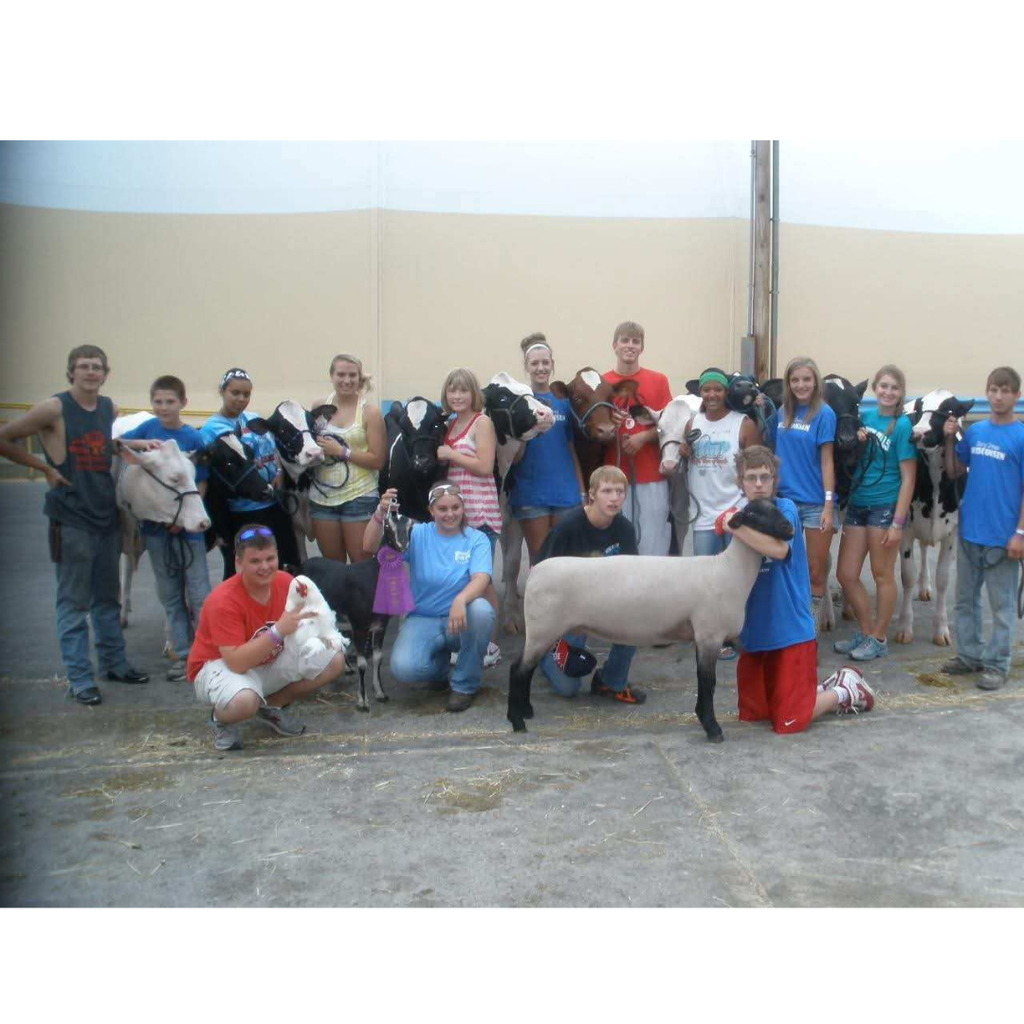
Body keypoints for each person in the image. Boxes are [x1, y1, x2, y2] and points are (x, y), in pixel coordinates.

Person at [0, 344, 151, 704]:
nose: (90, 372)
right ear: (71, 371)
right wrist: (44, 469)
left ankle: (114, 663)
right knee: (73, 602)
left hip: (105, 516)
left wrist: (135, 444)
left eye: (97, 366)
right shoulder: (55, 407)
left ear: (105, 372)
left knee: (107, 598)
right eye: (83, 366)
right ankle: (79, 678)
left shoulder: (108, 407)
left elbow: (104, 445)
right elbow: (5, 437)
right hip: (71, 519)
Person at [729, 446, 876, 733]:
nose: (759, 484)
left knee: (789, 722)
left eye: (765, 477)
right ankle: (814, 688)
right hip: (756, 634)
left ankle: (845, 689)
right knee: (753, 715)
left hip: (791, 632)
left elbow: (779, 549)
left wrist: (732, 524)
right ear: (740, 482)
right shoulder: (741, 514)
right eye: (751, 478)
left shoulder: (784, 510)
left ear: (775, 480)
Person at [186, 524, 347, 751]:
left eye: (270, 559)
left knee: (333, 658)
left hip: (264, 659)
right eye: (255, 561)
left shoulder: (285, 582)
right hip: (219, 666)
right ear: (238, 563)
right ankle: (222, 719)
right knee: (244, 702)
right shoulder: (223, 600)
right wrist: (278, 631)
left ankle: (272, 706)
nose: (264, 567)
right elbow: (235, 662)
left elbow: (311, 622)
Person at [364, 483, 495, 712]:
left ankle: (465, 684)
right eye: (442, 509)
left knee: (482, 611)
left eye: (455, 507)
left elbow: (481, 578)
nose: (450, 514)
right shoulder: (417, 533)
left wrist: (460, 600)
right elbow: (369, 546)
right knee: (404, 668)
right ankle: (440, 667)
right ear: (431, 510)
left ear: (463, 508)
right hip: (423, 618)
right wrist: (379, 514)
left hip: (462, 618)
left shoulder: (477, 539)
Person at [119, 375, 212, 681]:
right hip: (155, 529)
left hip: (188, 532)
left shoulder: (193, 438)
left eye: (169, 401)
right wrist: (138, 443)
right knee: (170, 594)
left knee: (199, 592)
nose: (163, 407)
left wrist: (185, 515)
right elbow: (118, 446)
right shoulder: (147, 430)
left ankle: (206, 652)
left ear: (183, 403)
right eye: (158, 401)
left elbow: (200, 482)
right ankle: (183, 654)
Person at [941, 366, 1024, 689]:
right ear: (987, 392)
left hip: (1003, 538)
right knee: (964, 600)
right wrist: (950, 438)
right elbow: (953, 470)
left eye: (1005, 390)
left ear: (1016, 396)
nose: (998, 396)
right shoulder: (975, 433)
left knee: (1001, 606)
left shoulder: (1020, 436)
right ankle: (969, 656)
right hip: (969, 530)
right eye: (993, 389)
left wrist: (1020, 534)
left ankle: (997, 664)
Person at [535, 466, 647, 705]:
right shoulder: (569, 526)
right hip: (569, 610)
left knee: (638, 620)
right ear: (592, 495)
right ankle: (546, 653)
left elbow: (632, 575)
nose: (615, 497)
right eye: (607, 491)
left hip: (604, 604)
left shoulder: (624, 528)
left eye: (620, 492)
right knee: (568, 689)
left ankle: (610, 681)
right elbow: (542, 576)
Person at [834, 364, 917, 662]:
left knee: (882, 575)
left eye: (894, 387)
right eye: (883, 386)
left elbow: (908, 477)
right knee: (846, 574)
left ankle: (879, 637)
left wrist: (898, 522)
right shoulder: (865, 419)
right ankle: (867, 631)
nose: (888, 392)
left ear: (901, 393)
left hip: (884, 508)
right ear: (875, 389)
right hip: (857, 504)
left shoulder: (903, 426)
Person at [682, 367, 760, 659]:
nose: (712, 395)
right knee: (705, 581)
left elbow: (757, 467)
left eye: (717, 389)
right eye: (706, 390)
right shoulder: (692, 422)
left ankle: (743, 633)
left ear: (726, 391)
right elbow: (682, 457)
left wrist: (749, 507)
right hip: (702, 514)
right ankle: (713, 636)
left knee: (739, 579)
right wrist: (682, 453)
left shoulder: (743, 424)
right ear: (700, 393)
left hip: (735, 511)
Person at [200, 368, 299, 580]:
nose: (241, 399)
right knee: (246, 568)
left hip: (275, 504)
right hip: (242, 512)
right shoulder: (210, 430)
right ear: (222, 391)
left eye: (246, 394)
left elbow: (273, 448)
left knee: (281, 563)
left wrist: (279, 470)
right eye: (235, 393)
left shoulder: (253, 419)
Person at [437, 368, 503, 667]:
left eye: (463, 390)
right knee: (462, 579)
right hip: (456, 516)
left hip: (481, 514)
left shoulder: (482, 422)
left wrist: (450, 455)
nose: (457, 396)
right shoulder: (449, 425)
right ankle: (468, 638)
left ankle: (490, 644)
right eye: (452, 390)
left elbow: (486, 465)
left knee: (483, 580)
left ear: (473, 393)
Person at [508, 333, 586, 563]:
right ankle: (538, 601)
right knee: (541, 558)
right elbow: (515, 458)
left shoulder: (564, 402)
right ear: (526, 367)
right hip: (531, 495)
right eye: (535, 363)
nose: (541, 368)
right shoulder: (518, 403)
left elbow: (571, 450)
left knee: (565, 558)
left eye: (545, 362)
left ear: (552, 364)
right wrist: (529, 430)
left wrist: (581, 490)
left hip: (567, 493)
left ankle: (566, 601)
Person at [602, 321, 674, 556]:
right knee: (617, 538)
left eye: (635, 341)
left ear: (642, 347)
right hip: (614, 474)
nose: (630, 346)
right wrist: (611, 428)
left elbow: (671, 425)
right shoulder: (602, 383)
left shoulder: (659, 380)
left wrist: (644, 437)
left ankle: (654, 589)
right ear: (614, 345)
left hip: (651, 473)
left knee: (653, 537)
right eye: (625, 340)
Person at [774, 357, 837, 625]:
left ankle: (809, 633)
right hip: (785, 503)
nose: (801, 385)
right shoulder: (781, 412)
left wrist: (828, 506)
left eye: (806, 379)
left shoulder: (824, 414)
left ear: (816, 382)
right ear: (788, 383)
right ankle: (787, 626)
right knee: (783, 566)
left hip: (814, 505)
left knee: (815, 571)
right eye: (795, 380)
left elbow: (826, 461)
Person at [309, 353, 387, 563]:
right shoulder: (318, 406)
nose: (346, 380)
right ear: (331, 376)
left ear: (359, 377)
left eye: (352, 375)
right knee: (332, 566)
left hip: (359, 496)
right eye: (341, 374)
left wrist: (342, 451)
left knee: (361, 563)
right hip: (322, 498)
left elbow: (378, 460)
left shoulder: (370, 412)